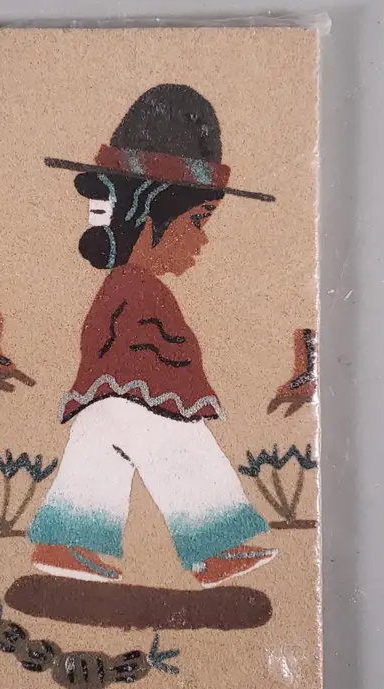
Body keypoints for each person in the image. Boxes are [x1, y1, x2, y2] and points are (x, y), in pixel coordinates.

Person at [28, 84, 277, 588]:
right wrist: (174, 395)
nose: (203, 239)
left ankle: (66, 544)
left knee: (98, 451)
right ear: (148, 223)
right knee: (181, 448)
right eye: (197, 221)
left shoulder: (128, 286)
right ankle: (215, 548)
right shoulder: (136, 290)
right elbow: (148, 354)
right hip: (135, 395)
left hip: (112, 397)